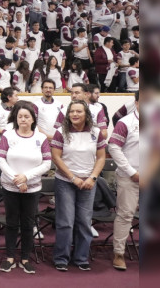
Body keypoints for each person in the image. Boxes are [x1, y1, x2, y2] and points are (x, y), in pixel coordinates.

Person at [50, 100, 107, 272]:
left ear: (86, 114)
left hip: (89, 183)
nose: (74, 114)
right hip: (65, 182)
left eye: (79, 111)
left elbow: (102, 158)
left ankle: (81, 257)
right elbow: (56, 157)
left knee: (84, 221)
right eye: (72, 111)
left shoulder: (96, 133)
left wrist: (93, 178)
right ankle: (61, 257)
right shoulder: (61, 132)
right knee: (66, 221)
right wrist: (72, 177)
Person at [0, 101, 51, 274]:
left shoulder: (40, 138)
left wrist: (27, 177)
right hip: (11, 187)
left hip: (32, 188)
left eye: (27, 116)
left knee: (28, 224)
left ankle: (25, 258)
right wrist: (16, 179)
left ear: (33, 119)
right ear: (16, 118)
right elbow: (0, 159)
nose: (23, 119)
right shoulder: (8, 136)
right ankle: (10, 258)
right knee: (11, 223)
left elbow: (47, 163)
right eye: (20, 116)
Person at [108, 91, 139, 271]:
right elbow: (114, 147)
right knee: (126, 214)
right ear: (137, 102)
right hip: (130, 175)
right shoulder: (125, 122)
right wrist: (131, 172)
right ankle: (119, 253)